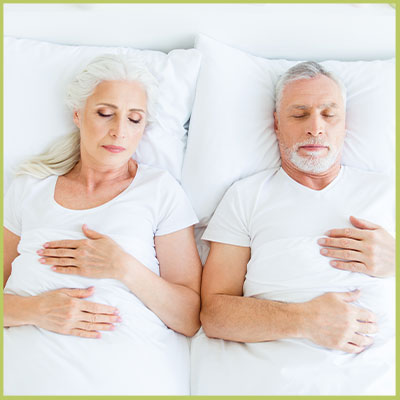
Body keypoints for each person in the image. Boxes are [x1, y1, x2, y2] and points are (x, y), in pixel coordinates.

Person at [191, 61, 395, 395]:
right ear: (276, 124)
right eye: (299, 114)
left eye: (329, 115)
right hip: (276, 381)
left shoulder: (388, 192)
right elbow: (215, 314)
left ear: (345, 124)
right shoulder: (247, 196)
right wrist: (305, 320)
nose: (315, 128)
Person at [3, 54, 202, 395]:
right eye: (105, 113)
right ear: (78, 115)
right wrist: (34, 309)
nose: (119, 131)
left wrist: (123, 267)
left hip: (125, 374)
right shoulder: (28, 187)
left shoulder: (159, 190)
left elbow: (189, 317)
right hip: (28, 374)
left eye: (134, 119)